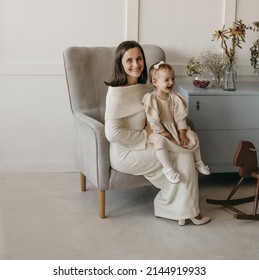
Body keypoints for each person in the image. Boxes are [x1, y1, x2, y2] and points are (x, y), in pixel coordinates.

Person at [104, 40, 210, 226]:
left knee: (185, 149)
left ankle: (184, 210)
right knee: (183, 156)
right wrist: (145, 135)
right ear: (120, 63)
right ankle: (178, 208)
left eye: (139, 59)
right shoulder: (116, 94)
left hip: (150, 140)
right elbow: (112, 134)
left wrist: (175, 129)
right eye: (129, 60)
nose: (135, 64)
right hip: (126, 152)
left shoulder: (143, 87)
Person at [142, 61, 210, 185]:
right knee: (159, 141)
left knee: (192, 135)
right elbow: (152, 119)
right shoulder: (151, 98)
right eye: (166, 80)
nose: (171, 82)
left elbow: (180, 118)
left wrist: (182, 132)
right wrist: (162, 131)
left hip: (174, 127)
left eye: (173, 78)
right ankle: (168, 169)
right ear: (155, 82)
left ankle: (199, 162)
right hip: (156, 129)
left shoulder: (175, 98)